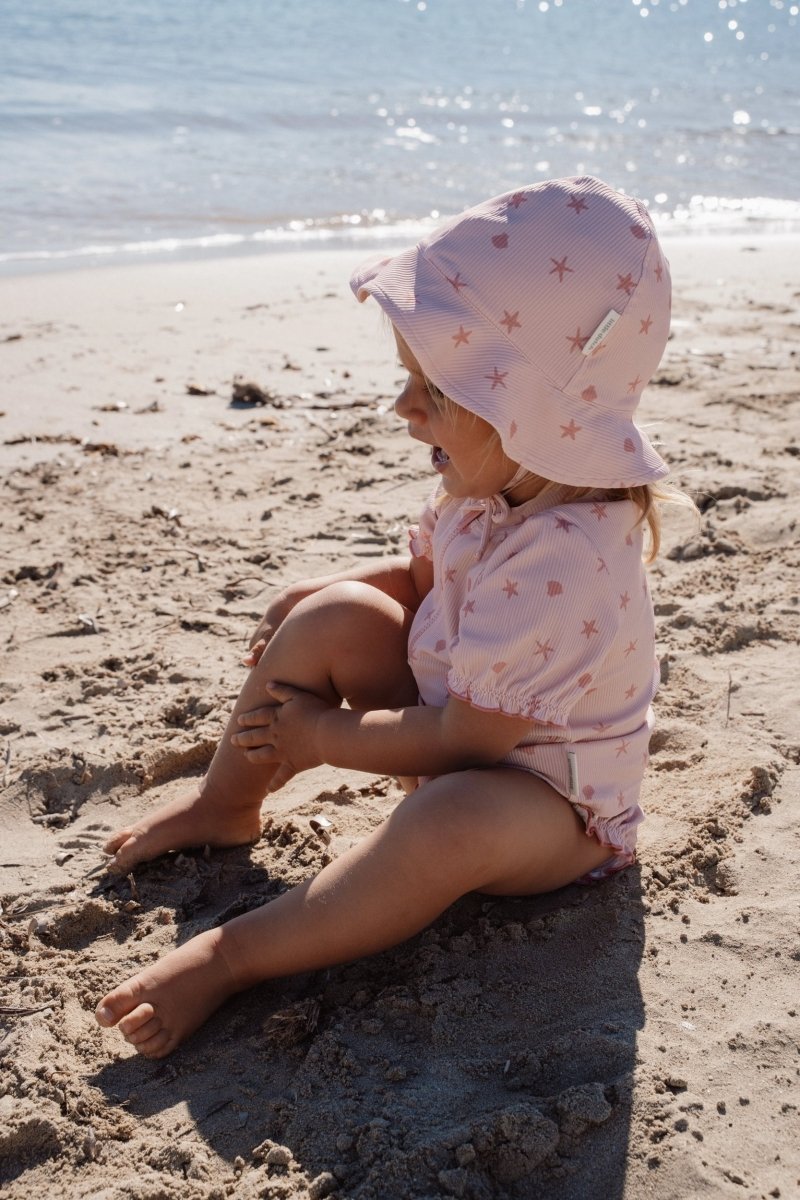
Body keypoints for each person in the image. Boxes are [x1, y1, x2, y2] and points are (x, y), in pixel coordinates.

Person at [96, 175, 685, 1059]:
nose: (405, 408)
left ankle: (233, 956)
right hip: (458, 727)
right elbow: (420, 579)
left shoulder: (566, 555)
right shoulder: (493, 490)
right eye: (412, 380)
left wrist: (322, 735)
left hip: (545, 805)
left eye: (437, 391)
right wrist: (322, 592)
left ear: (529, 416)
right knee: (338, 614)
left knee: (451, 821)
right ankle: (225, 804)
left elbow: (466, 742)